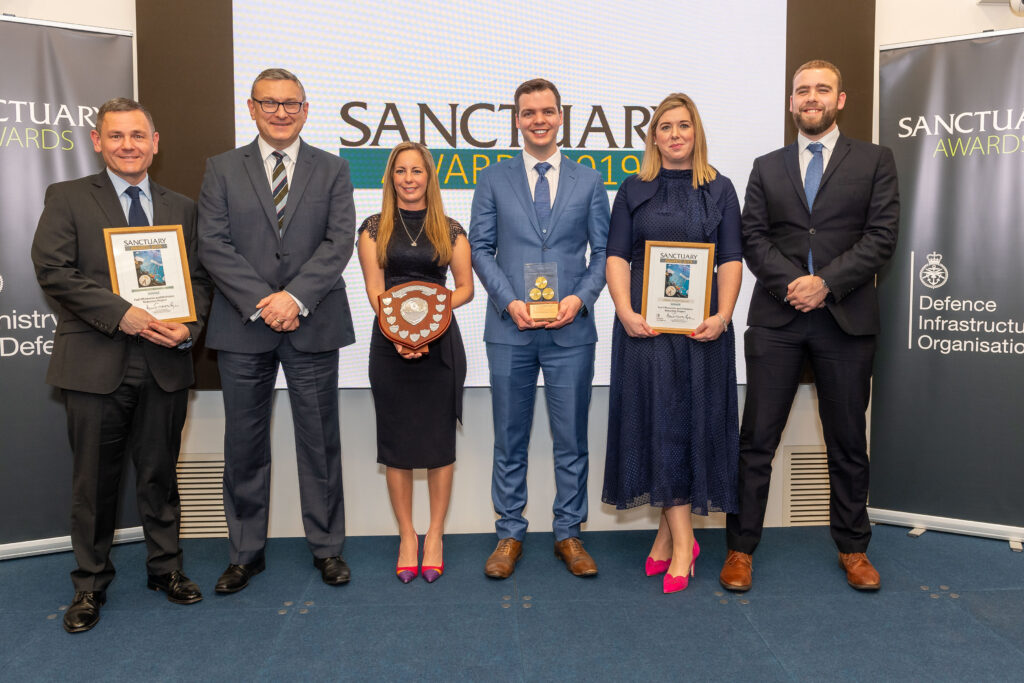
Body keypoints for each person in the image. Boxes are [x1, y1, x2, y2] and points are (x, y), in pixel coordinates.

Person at [31, 98, 212, 633]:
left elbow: (199, 281)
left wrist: (190, 326)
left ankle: (166, 569)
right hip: (94, 362)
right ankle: (89, 585)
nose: (128, 145)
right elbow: (54, 270)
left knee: (160, 476)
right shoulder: (66, 198)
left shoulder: (181, 206)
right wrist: (125, 314)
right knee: (94, 481)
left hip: (166, 362)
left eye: (138, 135)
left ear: (156, 142)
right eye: (116, 136)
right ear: (97, 141)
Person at [720, 60, 899, 592]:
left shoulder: (875, 160)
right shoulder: (766, 165)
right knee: (756, 441)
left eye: (822, 89)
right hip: (777, 318)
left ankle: (853, 549)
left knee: (847, 442)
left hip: (846, 320)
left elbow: (881, 236)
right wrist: (796, 283)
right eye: (802, 91)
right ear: (791, 102)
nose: (811, 98)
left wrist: (826, 283)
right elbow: (752, 236)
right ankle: (740, 549)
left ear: (840, 99)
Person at [198, 68, 356, 592]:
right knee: (243, 445)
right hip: (244, 326)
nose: (281, 112)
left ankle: (328, 549)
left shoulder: (333, 169)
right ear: (251, 107)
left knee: (320, 443)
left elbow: (339, 243)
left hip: (312, 321)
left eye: (291, 103)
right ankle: (245, 553)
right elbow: (212, 245)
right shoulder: (221, 168)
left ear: (306, 109)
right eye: (270, 103)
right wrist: (264, 302)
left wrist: (294, 298)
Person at [469, 78, 609, 579]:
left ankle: (569, 533)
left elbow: (604, 254)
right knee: (510, 438)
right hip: (511, 330)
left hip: (571, 331)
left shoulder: (588, 181)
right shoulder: (492, 179)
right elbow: (479, 249)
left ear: (560, 118)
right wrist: (509, 302)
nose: (539, 120)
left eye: (547, 111)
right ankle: (509, 533)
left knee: (571, 438)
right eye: (529, 113)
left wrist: (579, 298)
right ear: (517, 120)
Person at [602, 94, 742, 594]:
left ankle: (672, 541)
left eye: (684, 125)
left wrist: (723, 316)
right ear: (654, 136)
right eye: (666, 126)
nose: (675, 134)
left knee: (689, 427)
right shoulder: (634, 189)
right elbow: (617, 255)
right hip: (647, 331)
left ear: (696, 132)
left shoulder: (719, 189)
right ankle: (682, 540)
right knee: (659, 425)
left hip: (702, 333)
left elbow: (730, 259)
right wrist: (625, 311)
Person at [356, 142, 473, 583]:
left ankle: (436, 533)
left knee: (439, 445)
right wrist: (401, 333)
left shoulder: (451, 229)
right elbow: (374, 290)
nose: (408, 178)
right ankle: (408, 535)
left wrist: (427, 322)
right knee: (398, 446)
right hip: (389, 346)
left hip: (439, 345)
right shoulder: (372, 228)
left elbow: (465, 288)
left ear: (429, 177)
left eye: (417, 171)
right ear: (390, 177)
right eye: (400, 171)